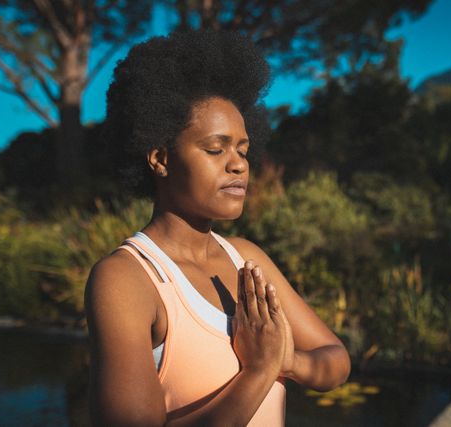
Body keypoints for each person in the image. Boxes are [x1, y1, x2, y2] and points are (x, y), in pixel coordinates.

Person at [85, 30, 351, 426]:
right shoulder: (127, 280)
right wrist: (259, 372)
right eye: (216, 149)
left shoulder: (245, 257)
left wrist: (287, 360)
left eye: (243, 150)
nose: (239, 164)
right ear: (160, 158)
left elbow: (336, 360)